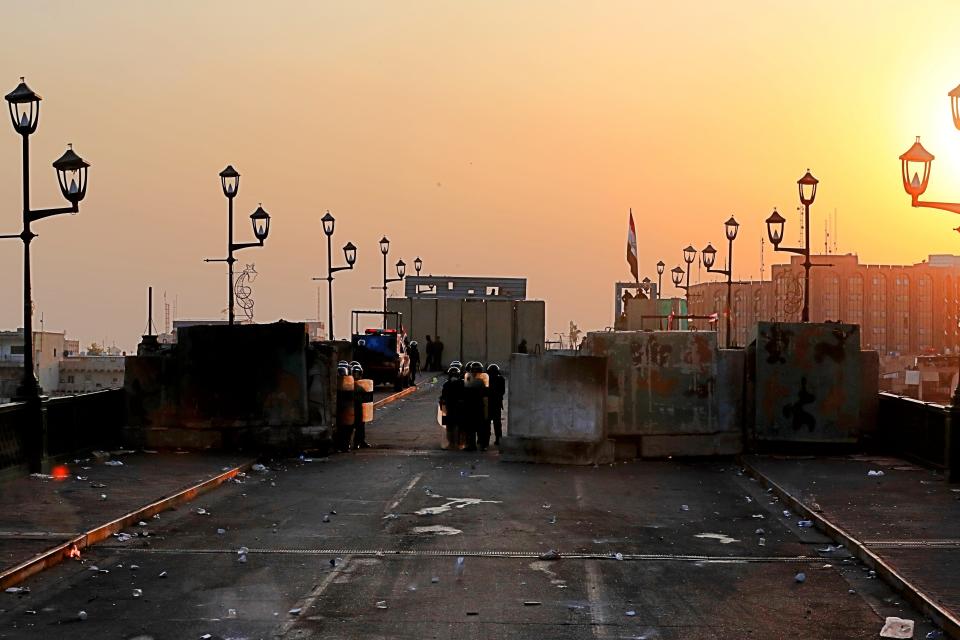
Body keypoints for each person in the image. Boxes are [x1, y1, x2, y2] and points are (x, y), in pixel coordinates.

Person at [462, 361, 486, 451]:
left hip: (470, 406)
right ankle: (482, 444)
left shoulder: (468, 380)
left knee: (471, 427)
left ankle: (472, 445)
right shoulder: (482, 381)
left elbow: (464, 393)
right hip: (478, 406)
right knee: (480, 426)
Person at [440, 366, 464, 450]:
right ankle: (457, 443)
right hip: (456, 408)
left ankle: (454, 443)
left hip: (452, 408)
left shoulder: (447, 384)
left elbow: (443, 397)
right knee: (455, 426)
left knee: (451, 427)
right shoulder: (461, 383)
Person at [352, 364, 372, 449]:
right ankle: (357, 442)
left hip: (354, 408)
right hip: (355, 408)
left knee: (359, 426)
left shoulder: (356, 386)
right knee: (359, 426)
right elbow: (366, 398)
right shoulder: (358, 387)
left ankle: (359, 442)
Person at [486, 363, 506, 446]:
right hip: (496, 404)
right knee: (497, 423)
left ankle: (486, 440)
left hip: (489, 404)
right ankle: (498, 440)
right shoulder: (501, 379)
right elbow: (502, 392)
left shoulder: (487, 379)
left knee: (487, 423)